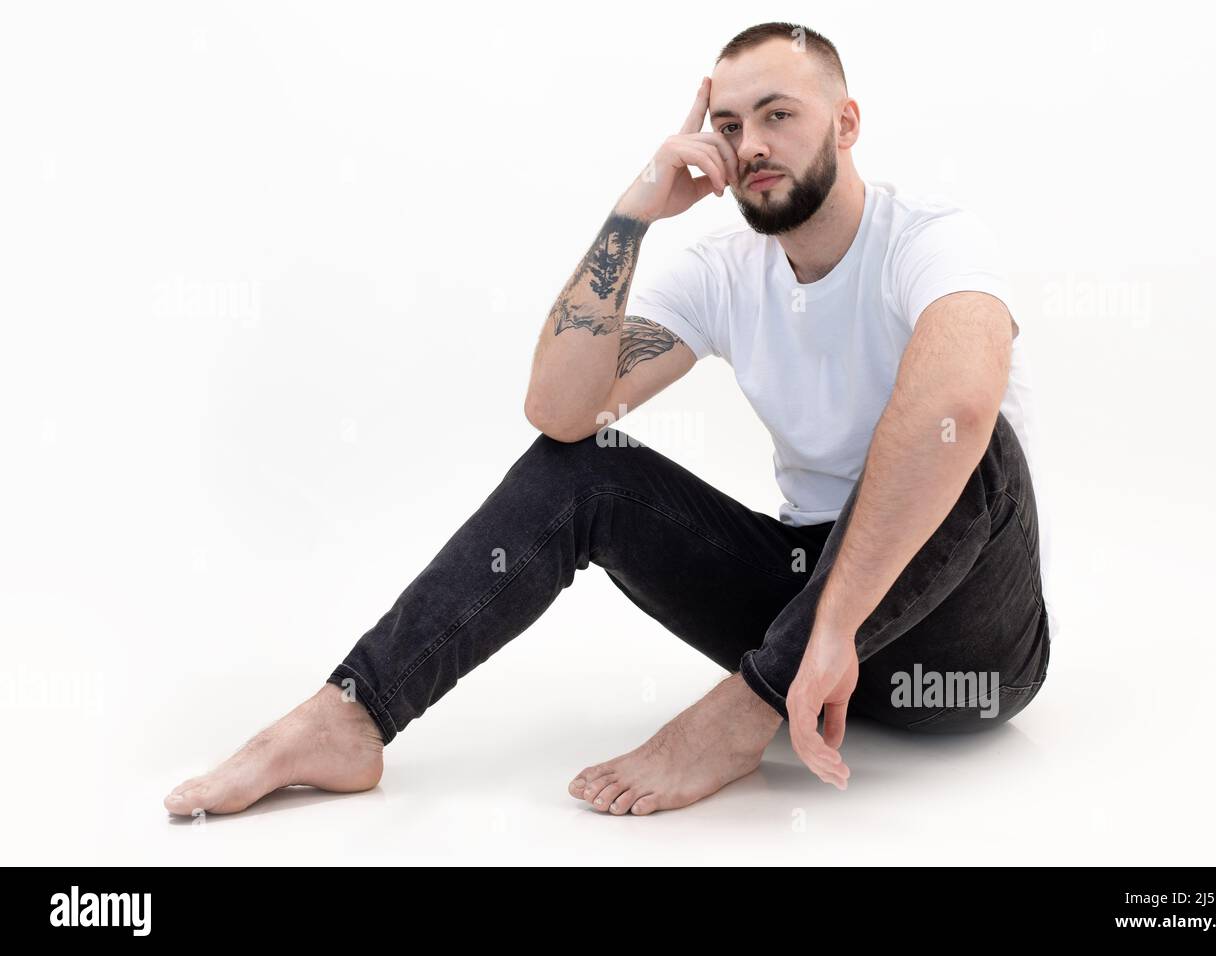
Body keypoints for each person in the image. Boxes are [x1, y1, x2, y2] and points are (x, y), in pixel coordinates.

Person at [164, 21, 1050, 819]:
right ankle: (351, 713)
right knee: (583, 465)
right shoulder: (724, 270)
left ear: (847, 123)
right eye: (730, 125)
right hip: (805, 630)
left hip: (965, 656)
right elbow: (559, 410)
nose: (751, 146)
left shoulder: (931, 239)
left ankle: (740, 718)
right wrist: (636, 209)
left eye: (778, 114)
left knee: (973, 445)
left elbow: (959, 404)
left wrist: (803, 652)